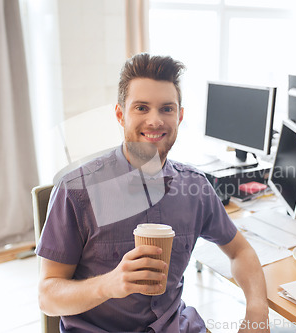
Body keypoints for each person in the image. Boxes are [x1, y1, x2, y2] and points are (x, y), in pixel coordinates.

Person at [36, 53, 270, 333]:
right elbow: (47, 296)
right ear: (121, 114)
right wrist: (108, 284)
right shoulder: (76, 191)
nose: (155, 120)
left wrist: (257, 311)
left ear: (180, 116)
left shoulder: (195, 188)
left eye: (167, 109)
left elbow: (240, 251)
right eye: (142, 108)